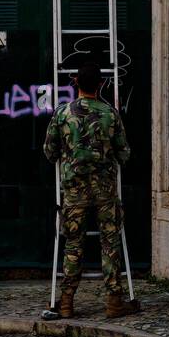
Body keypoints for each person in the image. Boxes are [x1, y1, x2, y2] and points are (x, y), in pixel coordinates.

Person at [43, 60, 137, 319]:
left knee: (73, 244)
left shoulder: (62, 114)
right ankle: (114, 301)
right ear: (101, 84)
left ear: (76, 84)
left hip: (74, 191)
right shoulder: (111, 114)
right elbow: (124, 153)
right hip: (105, 191)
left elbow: (49, 152)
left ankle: (66, 302)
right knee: (110, 243)